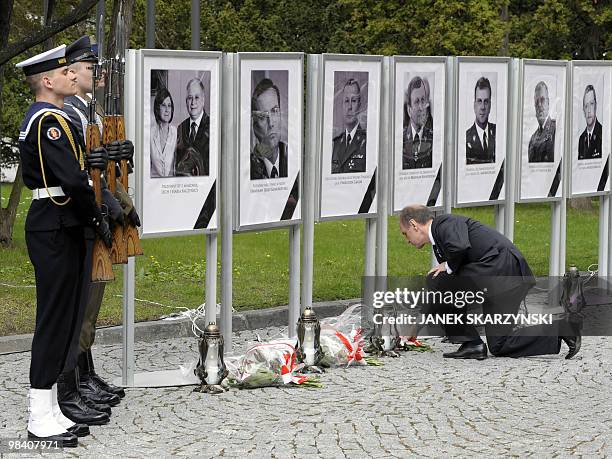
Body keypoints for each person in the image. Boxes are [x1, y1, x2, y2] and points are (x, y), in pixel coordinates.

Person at [17, 43, 113, 445]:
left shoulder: (52, 118)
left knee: (66, 320)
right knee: (54, 321)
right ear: (48, 81)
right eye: (66, 73)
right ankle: (38, 415)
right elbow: (72, 180)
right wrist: (97, 213)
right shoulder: (46, 122)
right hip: (55, 224)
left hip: (63, 223)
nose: (74, 76)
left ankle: (51, 406)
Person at [61, 36, 138, 426]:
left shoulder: (87, 110)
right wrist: (108, 206)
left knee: (92, 302)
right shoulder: (70, 114)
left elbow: (101, 171)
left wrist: (121, 182)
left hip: (97, 213)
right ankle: (73, 383)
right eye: (92, 68)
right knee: (84, 306)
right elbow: (83, 176)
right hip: (81, 219)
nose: (98, 74)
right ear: (71, 72)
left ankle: (84, 375)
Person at [398, 204, 581, 360]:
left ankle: (470, 341)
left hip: (502, 273)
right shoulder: (441, 235)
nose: (406, 240)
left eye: (405, 234)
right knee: (500, 345)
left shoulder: (445, 223)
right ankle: (561, 330)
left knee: (436, 279)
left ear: (414, 225)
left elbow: (459, 249)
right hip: (503, 278)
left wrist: (448, 266)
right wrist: (416, 326)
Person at [250, 78, 288, 179]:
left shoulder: (293, 160)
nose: (271, 123)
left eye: (274, 111)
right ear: (254, 127)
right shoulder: (248, 169)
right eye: (262, 116)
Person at [175, 78, 209, 176]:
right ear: (186, 101)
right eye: (190, 98)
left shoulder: (213, 126)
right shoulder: (180, 128)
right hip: (184, 188)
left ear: (203, 100)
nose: (193, 102)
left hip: (207, 189)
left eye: (197, 97)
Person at [332, 78, 367, 173]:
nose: (349, 107)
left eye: (354, 101)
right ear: (342, 105)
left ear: (359, 105)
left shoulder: (367, 142)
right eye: (346, 101)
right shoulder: (335, 144)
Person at [402, 76, 433, 169]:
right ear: (409, 110)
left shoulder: (433, 138)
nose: (421, 107)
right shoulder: (400, 140)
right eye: (416, 102)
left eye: (423, 100)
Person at [466, 77, 495, 165]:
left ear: (490, 106)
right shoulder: (466, 138)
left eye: (486, 102)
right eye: (479, 101)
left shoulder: (498, 133)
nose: (482, 107)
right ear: (474, 105)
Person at [150, 87, 177, 177]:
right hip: (153, 186)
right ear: (158, 108)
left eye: (169, 106)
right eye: (163, 105)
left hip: (171, 186)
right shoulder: (150, 134)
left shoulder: (176, 132)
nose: (167, 110)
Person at [528, 81, 556, 163]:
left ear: (548, 103)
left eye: (542, 100)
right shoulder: (532, 140)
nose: (539, 105)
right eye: (537, 102)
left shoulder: (556, 130)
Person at [578, 85, 602, 160]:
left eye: (591, 104)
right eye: (586, 106)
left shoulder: (603, 134)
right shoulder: (581, 139)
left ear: (596, 106)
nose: (589, 111)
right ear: (583, 111)